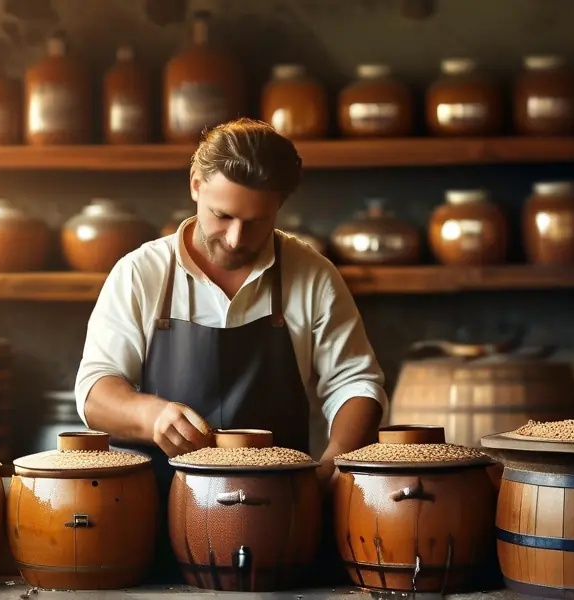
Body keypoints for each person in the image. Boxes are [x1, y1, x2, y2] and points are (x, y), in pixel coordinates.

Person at [74, 117, 387, 581]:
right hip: (154, 524)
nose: (237, 239)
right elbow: (95, 393)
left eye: (256, 222)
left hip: (281, 526)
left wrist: (333, 468)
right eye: (223, 216)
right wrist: (150, 416)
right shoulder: (140, 273)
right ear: (196, 185)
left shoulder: (312, 275)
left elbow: (356, 384)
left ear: (279, 206)